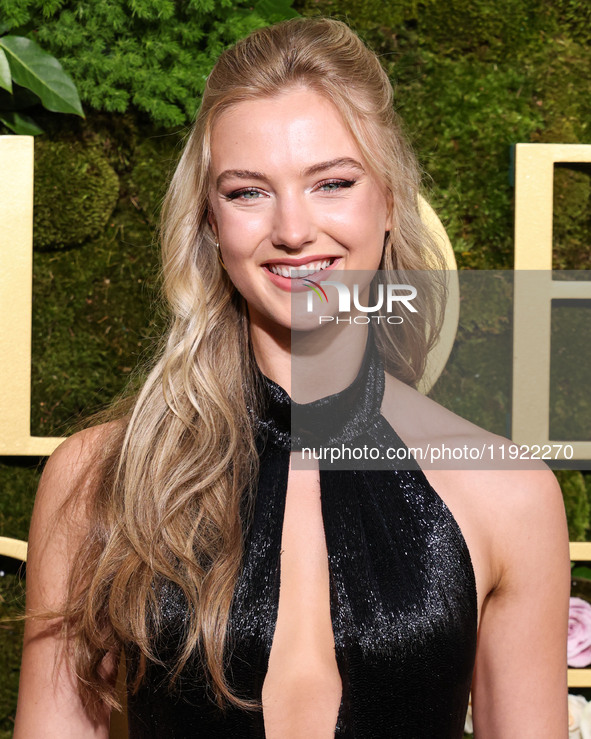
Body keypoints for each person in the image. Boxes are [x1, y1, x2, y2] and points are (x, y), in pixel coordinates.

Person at [14, 16, 570, 739]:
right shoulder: (95, 480)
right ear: (211, 224)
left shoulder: (511, 495)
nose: (294, 230)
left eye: (332, 182)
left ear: (391, 202)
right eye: (248, 192)